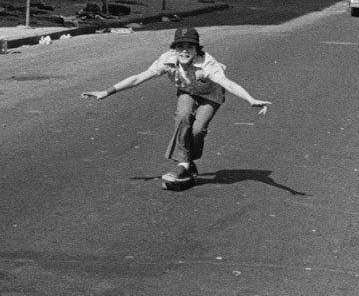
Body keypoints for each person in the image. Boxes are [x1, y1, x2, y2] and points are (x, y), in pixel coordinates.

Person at [81, 26, 271, 185]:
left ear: (197, 49)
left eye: (190, 47)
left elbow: (227, 83)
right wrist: (106, 91)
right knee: (183, 116)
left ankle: (187, 163)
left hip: (211, 95)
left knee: (197, 130)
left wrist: (250, 99)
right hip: (187, 91)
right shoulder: (167, 60)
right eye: (180, 46)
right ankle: (183, 164)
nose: (184, 51)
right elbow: (138, 78)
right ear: (174, 49)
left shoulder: (207, 64)